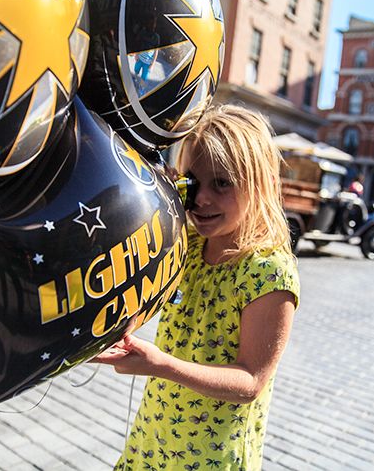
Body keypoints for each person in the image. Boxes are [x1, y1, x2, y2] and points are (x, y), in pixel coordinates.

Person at [93, 104, 300, 470]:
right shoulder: (186, 241)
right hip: (156, 437)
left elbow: (251, 379)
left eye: (222, 183)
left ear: (259, 183)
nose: (201, 198)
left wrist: (161, 365)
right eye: (193, 181)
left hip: (210, 457)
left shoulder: (268, 272)